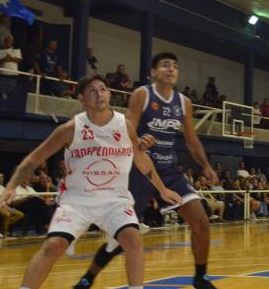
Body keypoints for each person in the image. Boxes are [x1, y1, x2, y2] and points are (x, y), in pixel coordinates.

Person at [0, 74, 181, 289]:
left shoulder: (124, 125)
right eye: (92, 90)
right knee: (53, 245)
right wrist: (12, 185)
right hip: (77, 200)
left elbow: (141, 159)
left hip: (114, 200)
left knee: (133, 239)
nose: (99, 94)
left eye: (103, 89)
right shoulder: (70, 128)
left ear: (109, 93)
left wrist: (162, 190)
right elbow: (33, 159)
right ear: (81, 98)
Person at [73, 53, 219, 289]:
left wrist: (206, 166)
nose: (171, 69)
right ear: (153, 72)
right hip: (139, 171)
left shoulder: (184, 102)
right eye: (165, 65)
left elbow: (191, 140)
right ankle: (89, 276)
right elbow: (126, 129)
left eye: (175, 66)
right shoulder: (143, 94)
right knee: (123, 237)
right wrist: (140, 141)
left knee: (201, 221)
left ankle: (200, 277)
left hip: (170, 171)